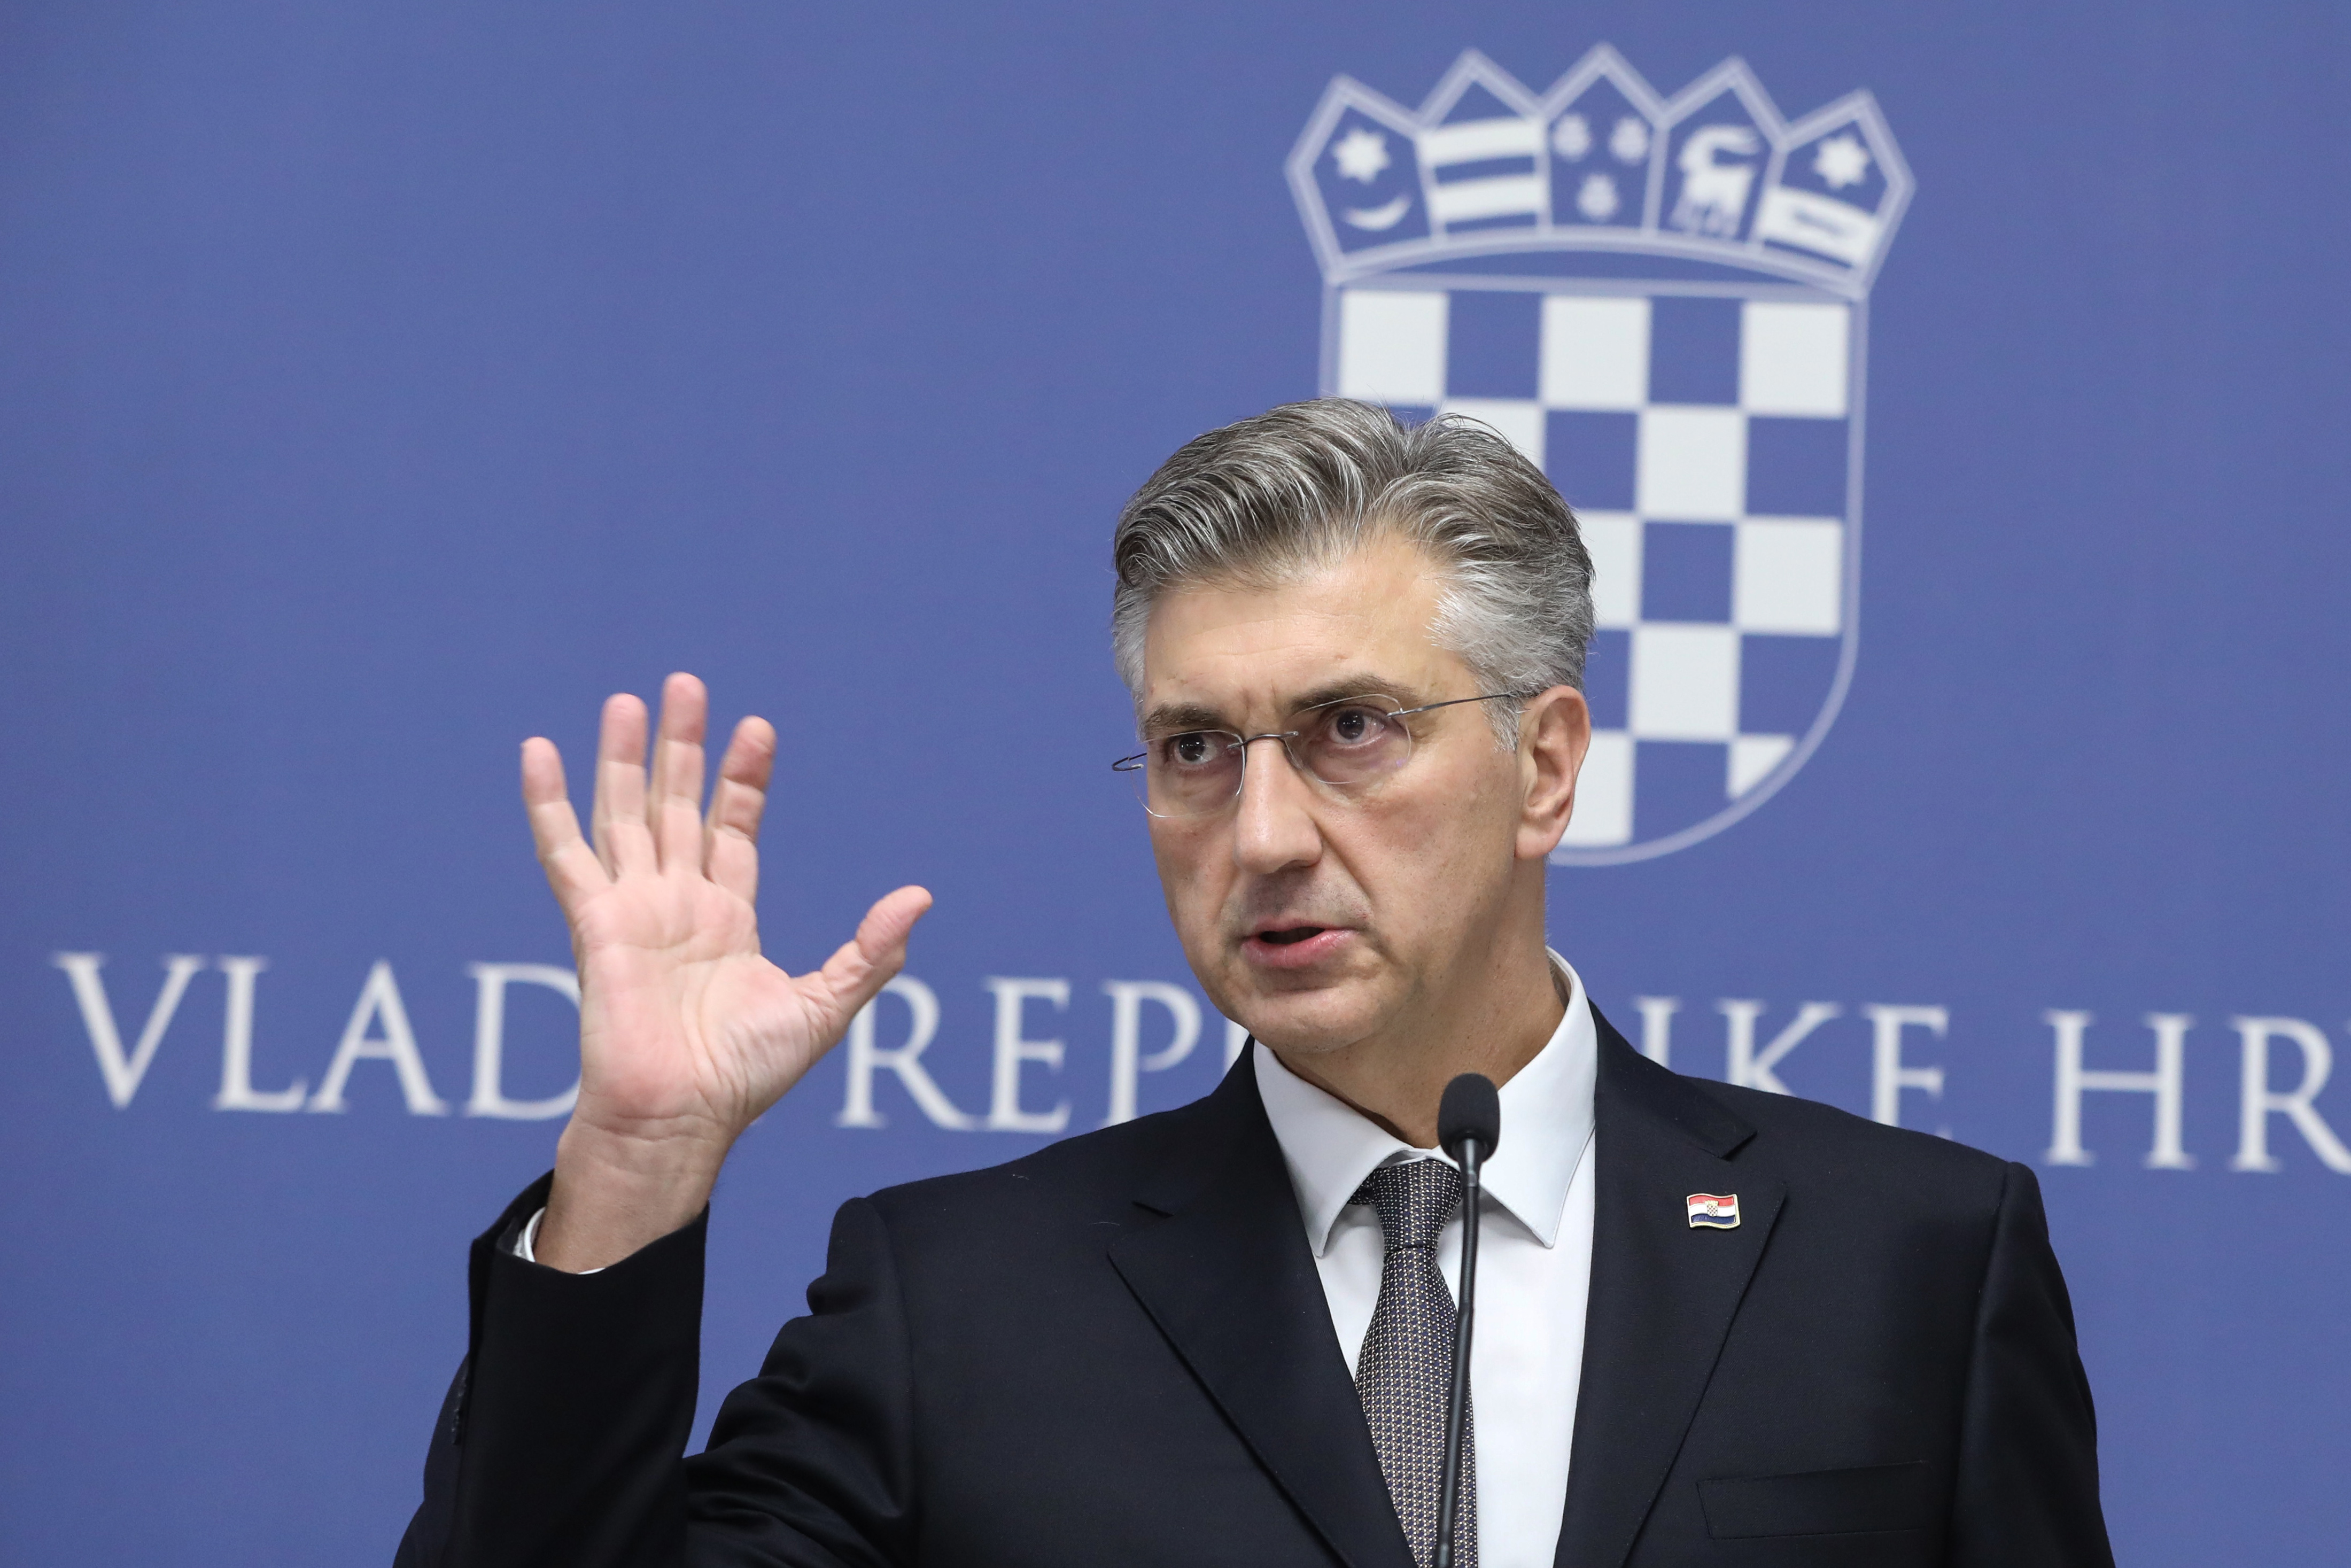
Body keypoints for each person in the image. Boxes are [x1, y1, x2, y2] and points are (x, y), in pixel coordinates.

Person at [395, 400, 2113, 1567]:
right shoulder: (962, 1302)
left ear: (1546, 765)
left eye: (1350, 729)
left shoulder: (1914, 1262)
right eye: (1195, 748)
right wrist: (636, 1161)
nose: (1265, 830)